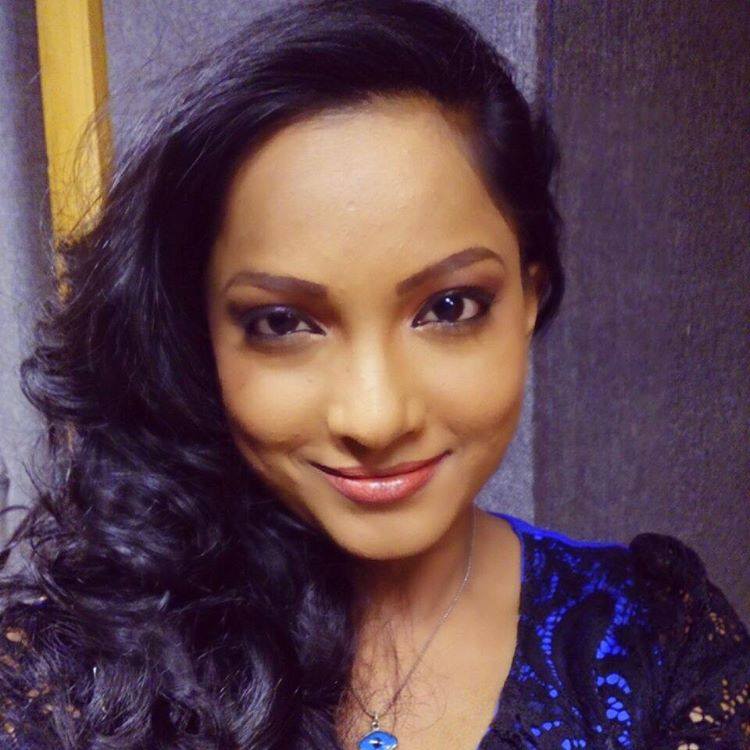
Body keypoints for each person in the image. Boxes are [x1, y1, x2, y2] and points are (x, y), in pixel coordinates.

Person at [0, 0, 748, 748]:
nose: (375, 417)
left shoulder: (659, 641)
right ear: (203, 334)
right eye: (283, 323)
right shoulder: (69, 666)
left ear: (529, 297)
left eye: (449, 307)